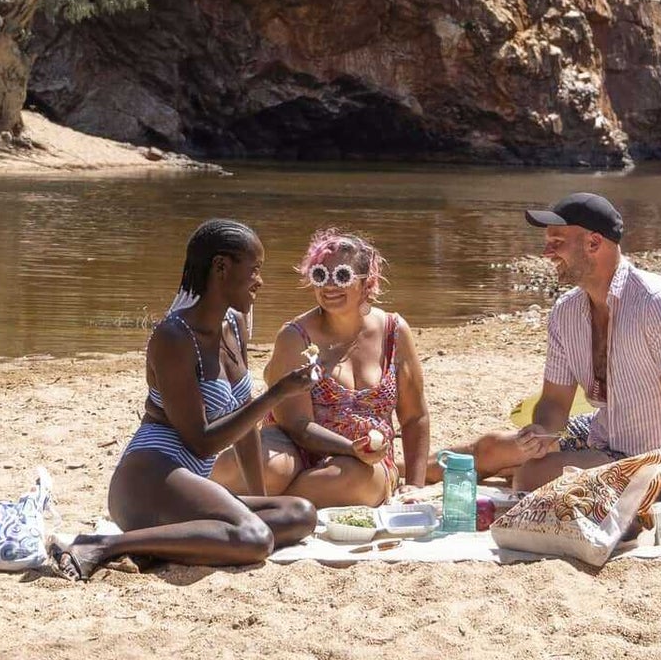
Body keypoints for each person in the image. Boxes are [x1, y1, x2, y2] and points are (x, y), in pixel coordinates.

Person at [66, 219, 322, 577]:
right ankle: (104, 545)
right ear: (221, 267)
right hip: (150, 482)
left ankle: (161, 545)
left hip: (190, 483)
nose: (259, 281)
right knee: (254, 538)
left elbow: (245, 417)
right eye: (254, 270)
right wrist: (278, 393)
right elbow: (201, 443)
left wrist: (260, 497)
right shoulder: (173, 338)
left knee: (299, 514)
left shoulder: (234, 324)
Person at [470, 190, 661, 511]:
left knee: (530, 475)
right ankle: (402, 471)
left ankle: (537, 467)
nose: (546, 252)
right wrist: (541, 436)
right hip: (604, 430)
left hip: (654, 461)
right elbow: (555, 402)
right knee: (494, 449)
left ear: (594, 243)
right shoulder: (566, 312)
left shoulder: (657, 304)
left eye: (557, 242)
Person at [264, 226, 429, 513]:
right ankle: (273, 502)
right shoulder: (294, 337)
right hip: (298, 452)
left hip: (367, 465)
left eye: (341, 275)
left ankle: (260, 505)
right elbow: (296, 425)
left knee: (355, 477)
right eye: (319, 275)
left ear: (368, 283)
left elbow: (415, 416)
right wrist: (349, 447)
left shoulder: (394, 332)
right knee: (268, 466)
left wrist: (414, 485)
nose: (329, 286)